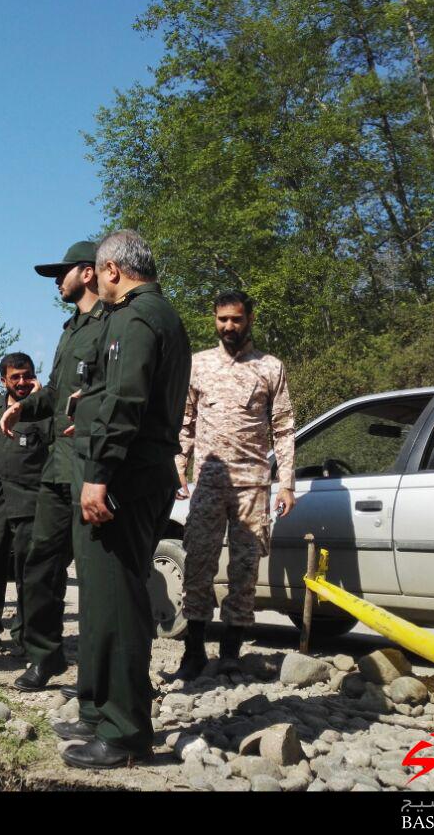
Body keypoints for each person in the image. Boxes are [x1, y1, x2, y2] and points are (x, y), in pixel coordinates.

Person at [54, 229, 190, 770]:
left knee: (118, 601)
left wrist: (99, 473)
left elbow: (131, 401)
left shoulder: (136, 317)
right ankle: (101, 711)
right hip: (142, 473)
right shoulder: (160, 316)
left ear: (111, 270)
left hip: (126, 478)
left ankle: (125, 731)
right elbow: (124, 392)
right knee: (109, 597)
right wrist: (88, 405)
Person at [170, 289, 296, 681]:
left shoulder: (270, 368)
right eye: (222, 319)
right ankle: (193, 651)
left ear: (249, 320)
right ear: (215, 319)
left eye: (236, 319)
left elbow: (284, 429)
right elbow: (185, 422)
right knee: (198, 564)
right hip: (208, 482)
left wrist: (287, 483)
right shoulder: (198, 365)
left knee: (244, 569)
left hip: (253, 486)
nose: (229, 326)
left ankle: (230, 652)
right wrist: (177, 466)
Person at [0, 240, 106, 693]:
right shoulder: (70, 328)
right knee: (40, 562)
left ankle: (104, 671)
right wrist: (24, 407)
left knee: (99, 570)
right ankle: (44, 655)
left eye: (61, 274)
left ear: (86, 273)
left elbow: (113, 392)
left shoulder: (114, 324)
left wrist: (90, 417)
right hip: (57, 470)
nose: (56, 282)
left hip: (93, 466)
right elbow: (60, 390)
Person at [0, 352, 51, 652]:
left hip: (31, 496)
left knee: (29, 567)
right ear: (3, 380)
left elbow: (53, 441)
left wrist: (38, 401)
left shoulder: (45, 409)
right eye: (15, 377)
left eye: (27, 375)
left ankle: (27, 632)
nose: (22, 382)